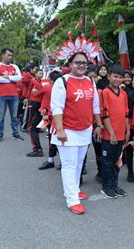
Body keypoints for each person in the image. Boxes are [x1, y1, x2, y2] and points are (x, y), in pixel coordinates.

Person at [50, 52, 103, 214]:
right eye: (77, 62)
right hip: (67, 129)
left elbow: (95, 106)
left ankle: (72, 190)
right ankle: (72, 199)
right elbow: (56, 107)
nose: (81, 66)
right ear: (70, 63)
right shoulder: (62, 82)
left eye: (84, 63)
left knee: (79, 162)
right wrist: (60, 130)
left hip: (85, 129)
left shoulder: (89, 81)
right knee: (69, 164)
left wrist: (99, 124)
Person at [100, 65, 130, 198]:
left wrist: (127, 131)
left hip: (120, 134)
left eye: (120, 77)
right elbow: (104, 114)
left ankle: (114, 185)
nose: (118, 79)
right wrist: (111, 133)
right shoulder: (104, 93)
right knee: (107, 162)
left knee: (117, 161)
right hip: (109, 135)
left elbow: (125, 114)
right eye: (115, 76)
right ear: (109, 76)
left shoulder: (123, 94)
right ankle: (106, 187)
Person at [0, 48, 24, 142]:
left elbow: (19, 78)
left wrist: (7, 77)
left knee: (14, 116)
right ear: (2, 55)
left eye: (11, 55)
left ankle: (15, 133)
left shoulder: (15, 66)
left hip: (14, 95)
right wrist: (11, 80)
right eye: (8, 55)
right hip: (2, 95)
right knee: (1, 116)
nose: (10, 57)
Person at [38, 71, 62, 170]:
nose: (50, 84)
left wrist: (49, 115)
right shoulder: (51, 88)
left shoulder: (62, 90)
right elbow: (48, 103)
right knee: (52, 141)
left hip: (61, 122)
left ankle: (63, 162)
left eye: (51, 82)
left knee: (61, 143)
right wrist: (45, 111)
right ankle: (51, 160)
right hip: (52, 121)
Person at [26, 68, 45, 157]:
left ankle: (37, 149)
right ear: (36, 73)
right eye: (39, 73)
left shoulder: (42, 82)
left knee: (33, 127)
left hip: (40, 103)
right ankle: (36, 148)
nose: (41, 75)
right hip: (34, 103)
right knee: (32, 125)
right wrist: (27, 98)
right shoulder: (33, 81)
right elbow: (29, 90)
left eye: (42, 73)